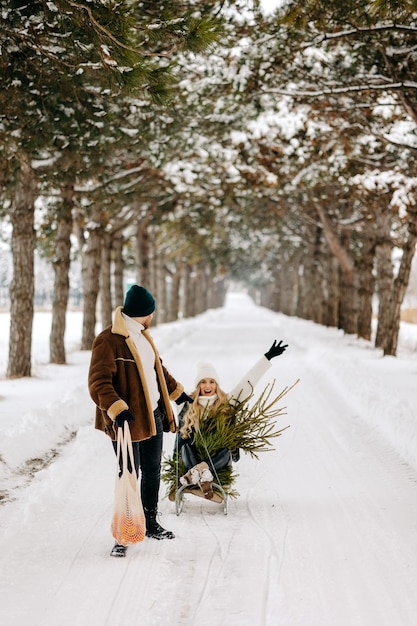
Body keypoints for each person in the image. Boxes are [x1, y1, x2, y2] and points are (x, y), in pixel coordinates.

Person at [88, 284, 192, 557]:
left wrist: (179, 394)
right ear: (145, 312)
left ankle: (150, 522)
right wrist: (117, 408)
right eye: (152, 311)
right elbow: (98, 382)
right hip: (127, 421)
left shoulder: (144, 337)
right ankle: (123, 533)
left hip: (153, 415)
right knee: (128, 474)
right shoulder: (109, 339)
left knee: (152, 470)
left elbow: (158, 371)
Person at [175, 339, 288, 499]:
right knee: (186, 447)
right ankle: (201, 476)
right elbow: (166, 388)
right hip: (192, 457)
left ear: (217, 384)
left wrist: (266, 358)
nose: (208, 386)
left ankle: (199, 472)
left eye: (212, 382)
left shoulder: (226, 401)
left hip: (216, 461)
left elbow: (247, 384)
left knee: (226, 451)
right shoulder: (187, 403)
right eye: (203, 382)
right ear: (197, 385)